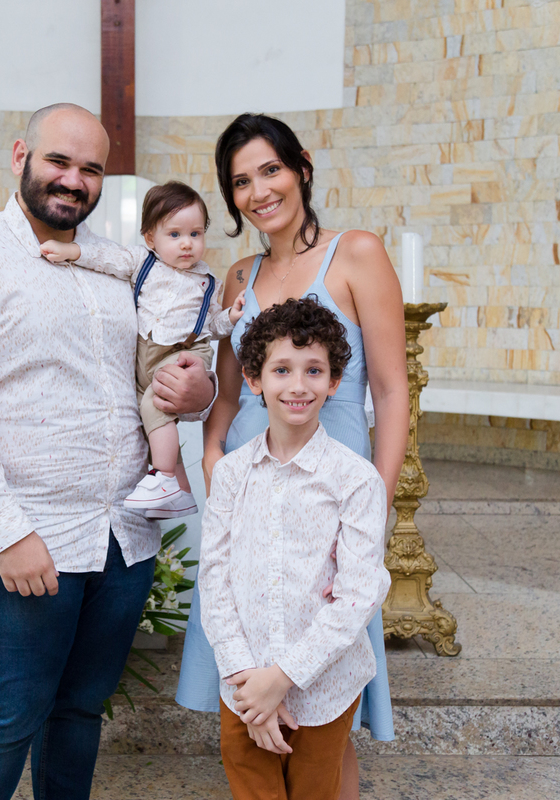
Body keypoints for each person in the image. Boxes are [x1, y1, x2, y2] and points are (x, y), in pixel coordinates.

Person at [0, 103, 216, 800]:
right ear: (21, 155)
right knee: (1, 720)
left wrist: (199, 391)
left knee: (79, 711)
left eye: (91, 169)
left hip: (123, 537)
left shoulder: (126, 266)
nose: (74, 180)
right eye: (59, 161)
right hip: (26, 538)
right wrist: (8, 532)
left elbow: (168, 361)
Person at [176, 113, 410, 800]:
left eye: (271, 170)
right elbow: (227, 393)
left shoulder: (357, 253)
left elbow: (392, 390)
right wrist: (212, 453)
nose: (259, 192)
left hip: (330, 493)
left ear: (302, 166)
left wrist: (378, 500)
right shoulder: (238, 276)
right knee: (253, 652)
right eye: (240, 181)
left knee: (327, 714)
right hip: (251, 488)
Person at [201, 297, 390, 800]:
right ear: (254, 379)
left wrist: (281, 679)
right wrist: (251, 687)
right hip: (242, 686)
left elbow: (357, 595)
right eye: (282, 369)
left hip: (324, 690)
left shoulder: (356, 480)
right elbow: (214, 581)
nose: (298, 385)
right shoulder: (231, 474)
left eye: (314, 370)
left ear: (334, 381)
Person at [40, 181, 245, 520]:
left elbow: (212, 325)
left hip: (184, 351)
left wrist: (231, 317)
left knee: (156, 404)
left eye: (195, 234)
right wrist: (72, 251)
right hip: (144, 354)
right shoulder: (142, 262)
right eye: (175, 234)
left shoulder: (207, 282)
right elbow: (106, 258)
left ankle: (163, 477)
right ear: (151, 238)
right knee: (146, 417)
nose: (187, 244)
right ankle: (180, 490)